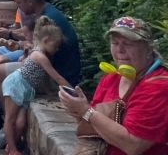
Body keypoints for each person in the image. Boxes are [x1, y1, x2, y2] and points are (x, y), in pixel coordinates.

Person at [0, 0, 81, 149]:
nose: (18, 6)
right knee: (5, 67)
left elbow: (43, 57)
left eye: (19, 2)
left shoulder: (48, 17)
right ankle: (10, 124)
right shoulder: (49, 12)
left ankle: (7, 124)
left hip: (58, 74)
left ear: (30, 1)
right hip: (55, 68)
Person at [59, 17, 168, 155]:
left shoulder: (159, 86)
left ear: (148, 50)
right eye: (115, 43)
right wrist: (78, 111)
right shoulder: (110, 79)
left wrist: (86, 111)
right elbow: (92, 125)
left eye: (128, 44)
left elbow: (133, 145)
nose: (120, 50)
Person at [0, 16, 73, 155]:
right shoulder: (40, 56)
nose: (56, 49)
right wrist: (74, 92)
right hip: (16, 84)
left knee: (20, 123)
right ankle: (13, 150)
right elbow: (57, 77)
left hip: (27, 90)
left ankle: (11, 143)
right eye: (55, 46)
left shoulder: (42, 53)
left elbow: (42, 78)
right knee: (10, 118)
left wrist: (50, 91)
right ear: (46, 41)